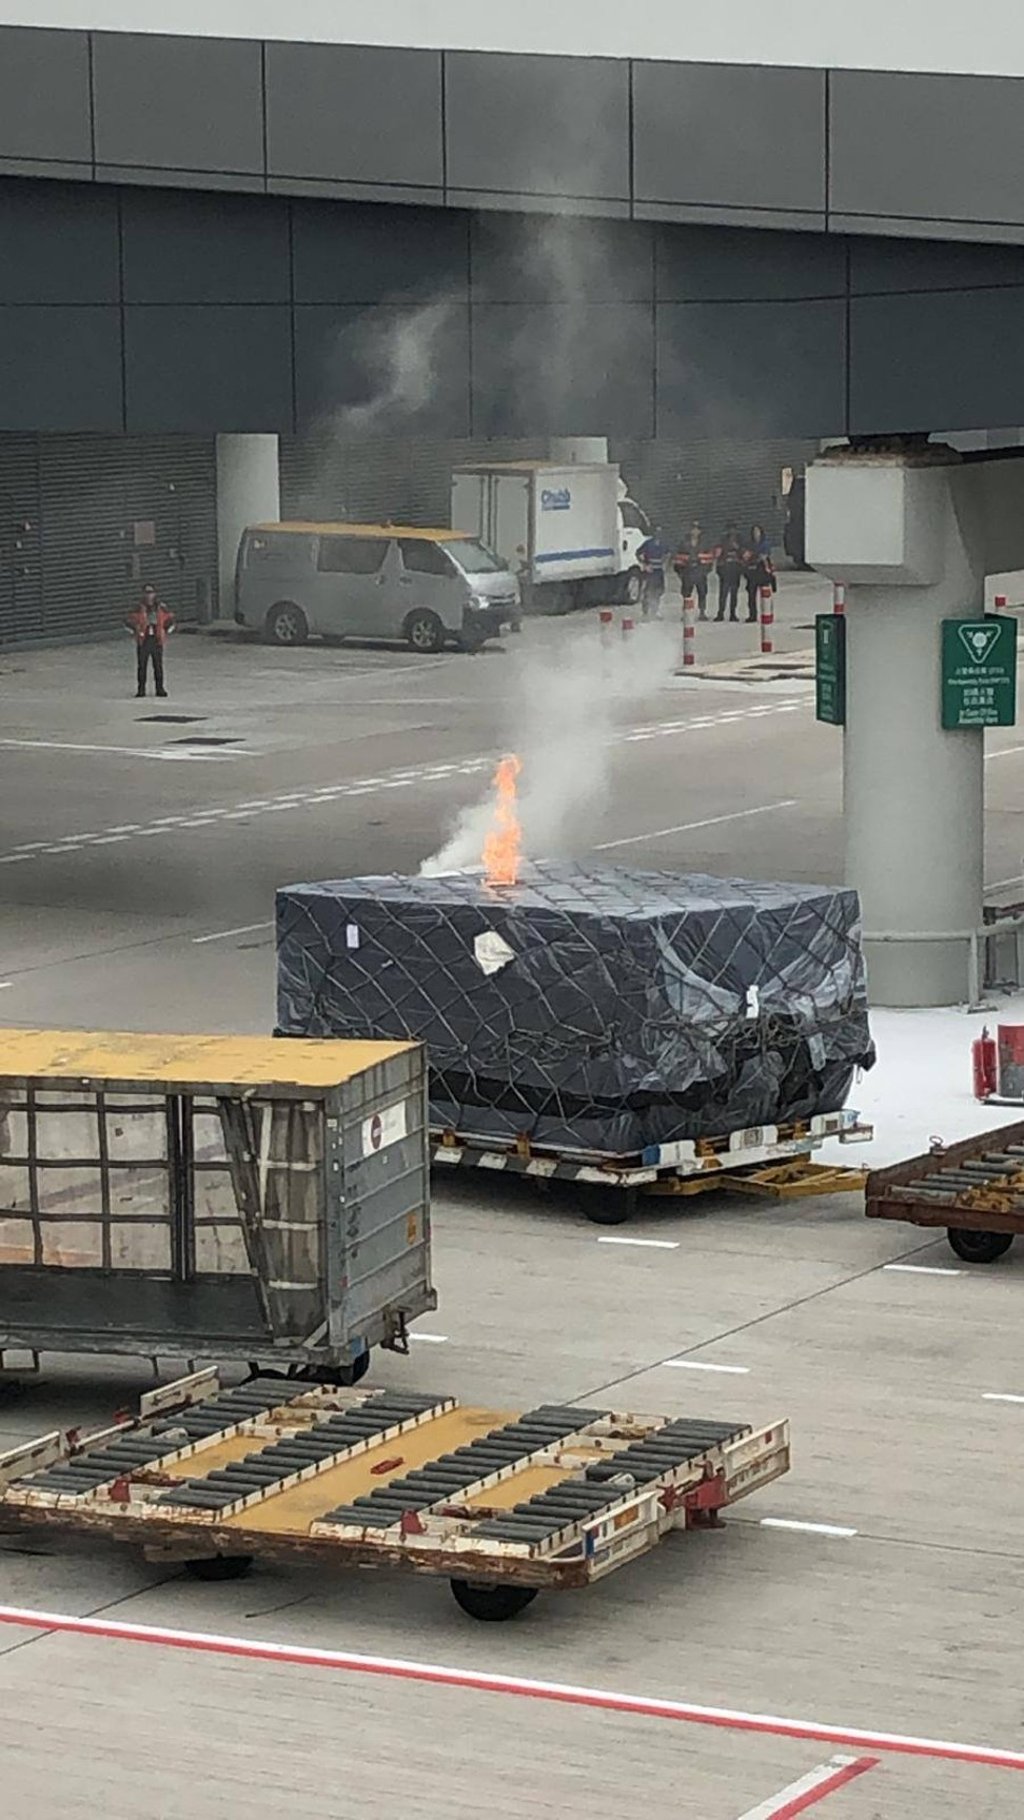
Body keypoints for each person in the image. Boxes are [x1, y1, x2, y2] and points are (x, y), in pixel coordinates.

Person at [126, 583, 175, 698]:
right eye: (146, 593)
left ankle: (160, 688)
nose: (149, 595)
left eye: (151, 593)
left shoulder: (161, 607)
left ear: (155, 594)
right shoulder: (137, 608)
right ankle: (141, 689)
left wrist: (164, 631)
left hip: (157, 639)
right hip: (143, 640)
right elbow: (128, 621)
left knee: (158, 666)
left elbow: (171, 619)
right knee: (142, 666)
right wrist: (136, 630)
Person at [674, 521, 715, 621]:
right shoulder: (683, 542)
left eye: (697, 529)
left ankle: (702, 612)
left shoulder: (705, 543)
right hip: (687, 571)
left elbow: (710, 557)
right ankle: (686, 613)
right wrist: (680, 572)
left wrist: (706, 571)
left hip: (700, 571)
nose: (695, 531)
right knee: (686, 594)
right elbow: (678, 557)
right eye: (693, 529)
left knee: (702, 592)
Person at [741, 524, 774, 624]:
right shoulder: (749, 544)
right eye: (754, 532)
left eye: (757, 531)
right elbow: (745, 556)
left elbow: (765, 556)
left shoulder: (765, 543)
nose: (756, 534)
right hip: (752, 572)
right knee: (751, 595)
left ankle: (767, 613)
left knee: (766, 595)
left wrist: (755, 556)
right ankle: (752, 615)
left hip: (762, 571)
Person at [637, 525, 670, 619]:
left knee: (659, 591)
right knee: (648, 591)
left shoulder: (663, 544)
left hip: (659, 570)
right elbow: (638, 553)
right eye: (656, 532)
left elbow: (668, 554)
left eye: (660, 532)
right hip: (650, 571)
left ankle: (655, 611)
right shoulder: (648, 543)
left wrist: (665, 563)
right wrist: (644, 564)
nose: (658, 534)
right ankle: (645, 612)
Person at [715, 523, 743, 623]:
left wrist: (738, 548)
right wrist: (719, 569)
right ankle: (720, 613)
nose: (732, 532)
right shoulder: (722, 541)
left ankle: (732, 613)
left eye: (733, 530)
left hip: (735, 570)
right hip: (725, 570)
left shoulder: (740, 541)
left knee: (734, 593)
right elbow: (718, 555)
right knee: (723, 592)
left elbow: (743, 554)